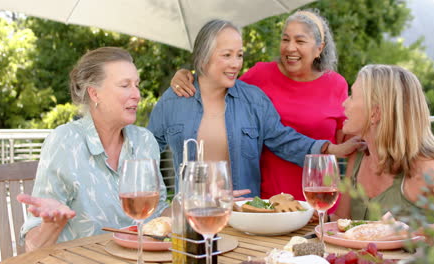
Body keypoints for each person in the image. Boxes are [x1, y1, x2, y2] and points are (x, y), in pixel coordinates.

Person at [147, 19, 360, 198]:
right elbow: (145, 154)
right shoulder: (173, 100)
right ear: (203, 56)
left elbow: (284, 140)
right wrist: (163, 206)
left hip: (245, 218)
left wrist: (331, 149)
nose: (236, 64)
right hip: (191, 219)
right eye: (227, 55)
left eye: (239, 55)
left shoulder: (254, 100)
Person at [18, 47, 169, 251]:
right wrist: (52, 225)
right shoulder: (65, 142)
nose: (137, 95)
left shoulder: (144, 140)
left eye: (137, 85)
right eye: (125, 85)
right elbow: (32, 247)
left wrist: (191, 203)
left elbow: (159, 216)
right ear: (95, 93)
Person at [334, 64, 434, 221]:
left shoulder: (427, 168)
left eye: (352, 96)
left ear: (375, 113)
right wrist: (311, 215)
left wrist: (428, 235)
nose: (344, 103)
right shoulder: (359, 155)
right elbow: (340, 219)